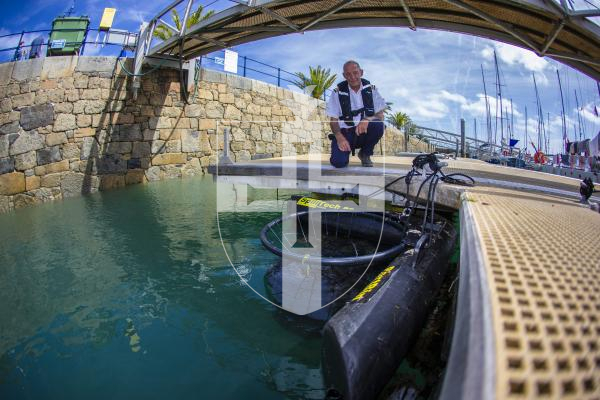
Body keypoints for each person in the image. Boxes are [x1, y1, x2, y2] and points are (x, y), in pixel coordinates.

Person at [326, 60, 386, 168]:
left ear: (361, 72)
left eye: (355, 72)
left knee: (378, 125)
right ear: (344, 76)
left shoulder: (372, 90)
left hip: (364, 132)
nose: (352, 77)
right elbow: (333, 121)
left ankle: (365, 153)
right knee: (338, 163)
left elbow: (380, 116)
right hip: (345, 133)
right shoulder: (336, 93)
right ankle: (342, 152)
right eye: (348, 74)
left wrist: (367, 119)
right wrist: (339, 137)